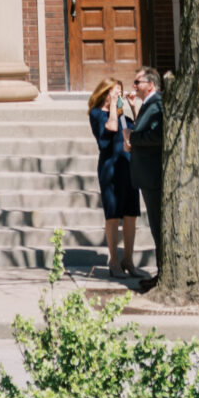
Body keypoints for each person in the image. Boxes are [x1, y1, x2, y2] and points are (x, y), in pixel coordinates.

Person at [87, 77, 139, 278]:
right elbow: (111, 128)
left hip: (127, 166)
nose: (119, 97)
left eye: (120, 92)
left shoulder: (122, 115)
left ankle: (129, 259)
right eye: (115, 92)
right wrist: (113, 108)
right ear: (105, 93)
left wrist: (133, 107)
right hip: (110, 168)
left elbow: (139, 128)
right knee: (113, 215)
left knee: (131, 214)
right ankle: (114, 261)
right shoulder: (97, 114)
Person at [126, 66, 165, 289]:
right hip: (147, 175)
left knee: (158, 228)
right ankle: (161, 273)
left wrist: (133, 138)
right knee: (155, 227)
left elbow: (157, 135)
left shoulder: (157, 103)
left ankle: (162, 275)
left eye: (137, 82)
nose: (134, 86)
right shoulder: (149, 104)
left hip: (153, 177)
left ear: (150, 84)